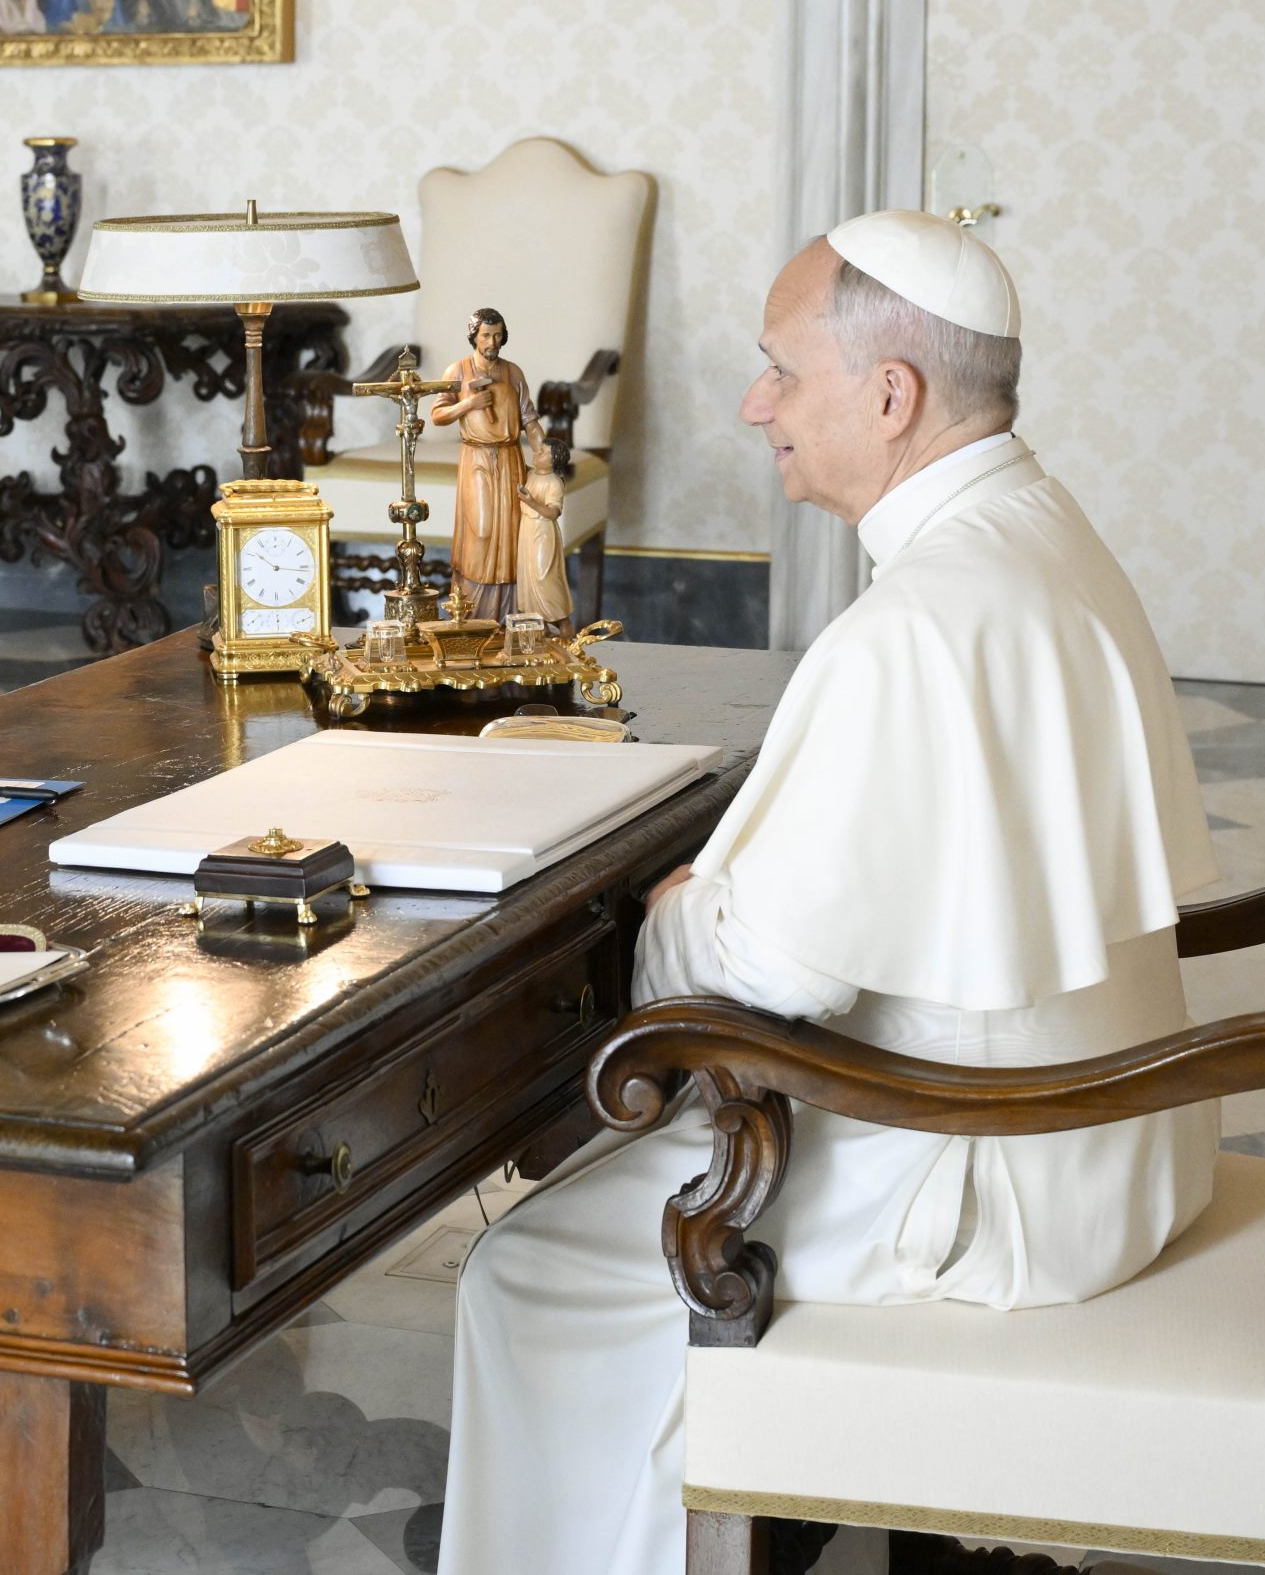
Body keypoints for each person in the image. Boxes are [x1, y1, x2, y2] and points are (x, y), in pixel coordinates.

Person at [438, 212, 1220, 1575]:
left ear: (891, 392)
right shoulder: (1041, 524)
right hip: (1113, 1127)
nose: (757, 404)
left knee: (530, 1269)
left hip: (986, 1165)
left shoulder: (912, 627)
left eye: (780, 371)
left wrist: (682, 897)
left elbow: (767, 978)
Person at [430, 307, 544, 624]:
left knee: (510, 531)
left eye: (497, 335)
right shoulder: (458, 370)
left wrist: (544, 457)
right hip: (476, 457)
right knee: (480, 529)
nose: (492, 341)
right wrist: (469, 403)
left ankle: (509, 615)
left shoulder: (513, 372)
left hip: (509, 458)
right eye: (486, 335)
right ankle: (471, 613)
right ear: (474, 337)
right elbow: (438, 415)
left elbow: (529, 419)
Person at [511, 432, 572, 627]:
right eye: (539, 449)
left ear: (554, 460)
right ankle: (540, 626)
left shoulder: (554, 482)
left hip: (543, 532)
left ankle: (563, 623)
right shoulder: (531, 474)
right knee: (527, 577)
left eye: (543, 452)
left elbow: (553, 513)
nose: (537, 453)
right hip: (527, 530)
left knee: (543, 576)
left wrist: (531, 501)